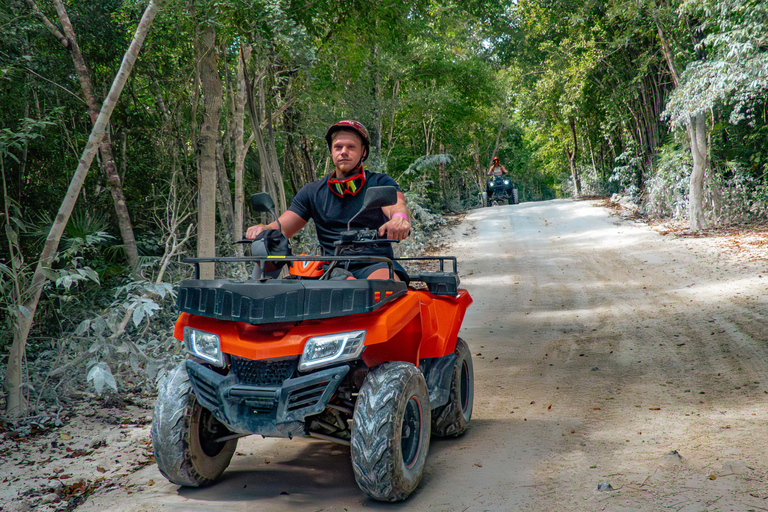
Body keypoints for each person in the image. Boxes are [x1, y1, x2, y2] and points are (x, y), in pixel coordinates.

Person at [245, 119, 411, 281]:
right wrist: (265, 228)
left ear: (364, 152)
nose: (343, 152)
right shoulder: (313, 192)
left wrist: (399, 218)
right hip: (330, 269)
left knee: (385, 287)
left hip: (374, 264)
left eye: (351, 147)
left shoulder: (379, 182)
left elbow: (397, 204)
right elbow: (282, 227)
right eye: (338, 147)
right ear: (331, 151)